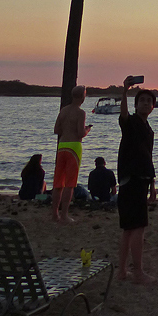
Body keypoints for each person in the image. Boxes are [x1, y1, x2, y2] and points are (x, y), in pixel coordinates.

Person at [117, 76, 157, 284]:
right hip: (131, 180)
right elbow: (123, 114)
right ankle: (138, 272)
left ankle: (123, 271)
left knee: (129, 229)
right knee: (138, 227)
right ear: (136, 104)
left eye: (148, 102)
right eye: (141, 101)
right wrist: (124, 91)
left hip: (141, 180)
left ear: (152, 108)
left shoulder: (148, 129)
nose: (145, 104)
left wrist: (152, 185)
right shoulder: (131, 122)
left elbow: (147, 157)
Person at [52, 85, 91, 223]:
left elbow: (56, 129)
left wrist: (67, 129)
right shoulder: (80, 113)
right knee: (69, 183)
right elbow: (80, 133)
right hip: (74, 147)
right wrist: (87, 130)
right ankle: (64, 215)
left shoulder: (64, 110)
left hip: (62, 146)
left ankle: (54, 214)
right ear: (82, 97)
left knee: (58, 182)